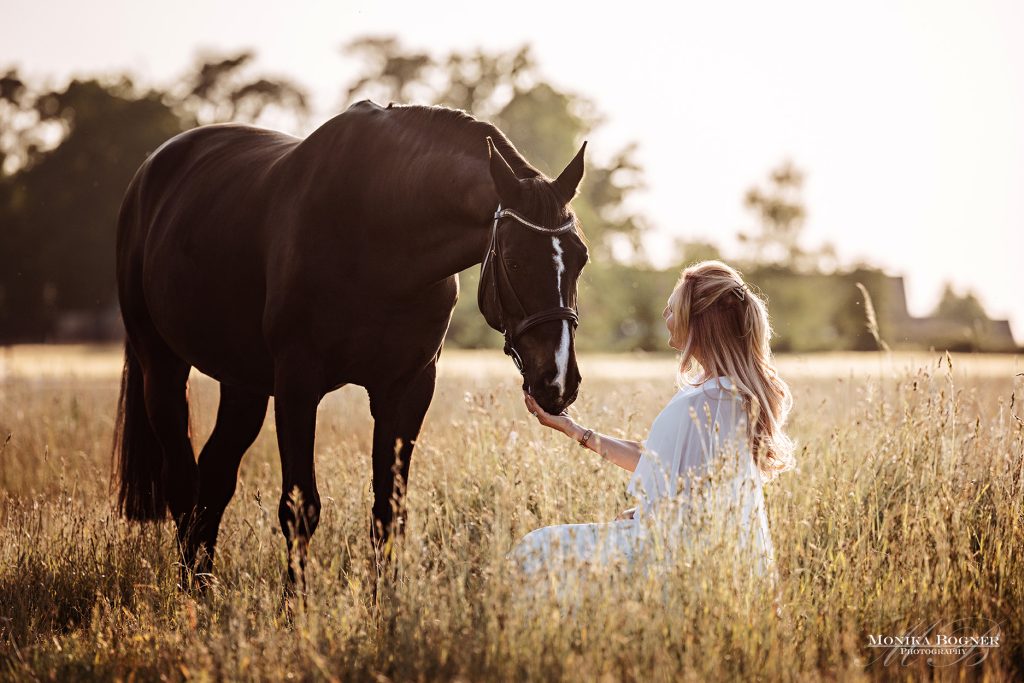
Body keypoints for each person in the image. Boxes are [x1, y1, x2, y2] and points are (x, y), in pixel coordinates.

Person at [506, 260, 795, 602]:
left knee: (537, 547)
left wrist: (643, 516)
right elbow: (668, 467)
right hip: (699, 546)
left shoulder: (705, 398)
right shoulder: (730, 392)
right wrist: (574, 430)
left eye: (673, 309)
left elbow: (666, 474)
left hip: (673, 552)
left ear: (697, 321)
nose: (665, 315)